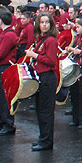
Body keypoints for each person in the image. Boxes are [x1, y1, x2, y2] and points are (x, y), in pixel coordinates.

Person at [25, 12, 59, 150]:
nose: (44, 25)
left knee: (46, 111)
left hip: (47, 77)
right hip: (41, 76)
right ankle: (43, 138)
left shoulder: (50, 40)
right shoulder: (40, 39)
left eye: (47, 22)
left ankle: (46, 141)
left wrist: (35, 55)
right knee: (40, 109)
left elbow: (51, 61)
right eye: (42, 22)